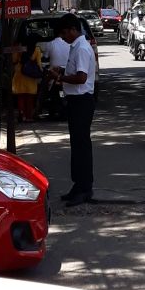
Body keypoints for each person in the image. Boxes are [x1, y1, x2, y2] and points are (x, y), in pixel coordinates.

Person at [49, 13, 96, 206]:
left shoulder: (82, 48)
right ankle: (78, 184)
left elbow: (81, 77)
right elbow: (75, 72)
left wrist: (61, 78)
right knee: (76, 144)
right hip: (76, 100)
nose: (63, 37)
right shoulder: (76, 47)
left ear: (73, 30)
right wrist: (62, 72)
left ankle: (84, 187)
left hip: (82, 100)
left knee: (81, 145)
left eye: (64, 33)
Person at [11, 34, 43, 123]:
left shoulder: (20, 49)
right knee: (30, 97)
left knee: (20, 96)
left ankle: (22, 115)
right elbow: (39, 64)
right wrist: (40, 72)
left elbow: (14, 60)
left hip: (19, 73)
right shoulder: (37, 49)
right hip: (31, 75)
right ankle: (29, 117)